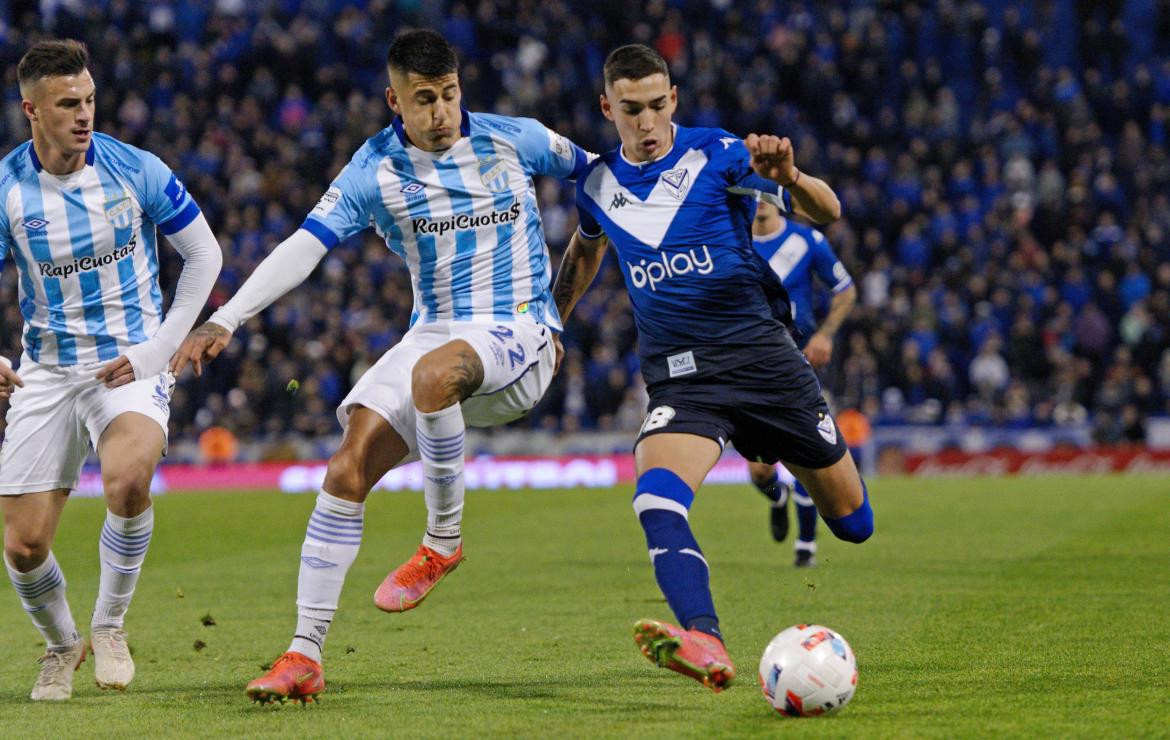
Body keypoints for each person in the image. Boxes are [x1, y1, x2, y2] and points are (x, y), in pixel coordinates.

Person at [170, 29, 590, 704]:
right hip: (435, 333)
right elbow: (304, 248)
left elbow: (605, 180)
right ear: (394, 100)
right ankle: (303, 655)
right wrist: (228, 317)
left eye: (450, 95)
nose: (443, 112)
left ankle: (442, 541)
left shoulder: (516, 137)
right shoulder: (375, 169)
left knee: (431, 378)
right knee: (346, 467)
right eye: (425, 99)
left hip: (519, 331)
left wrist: (566, 299)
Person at [551, 44, 873, 692]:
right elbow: (585, 253)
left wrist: (794, 175)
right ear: (607, 107)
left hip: (765, 362)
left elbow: (826, 212)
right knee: (654, 495)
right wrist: (551, 321)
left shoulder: (718, 153)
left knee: (854, 523)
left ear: (673, 100)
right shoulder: (597, 185)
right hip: (682, 377)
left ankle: (785, 464)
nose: (644, 124)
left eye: (656, 106)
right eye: (630, 110)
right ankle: (705, 638)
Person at [0, 40, 222, 700]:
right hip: (45, 371)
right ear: (31, 111)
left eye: (90, 100)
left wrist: (157, 353)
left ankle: (110, 624)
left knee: (128, 481)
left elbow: (203, 258)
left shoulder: (136, 169)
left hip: (129, 361)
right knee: (23, 546)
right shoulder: (9, 189)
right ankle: (63, 643)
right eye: (68, 104)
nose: (84, 114)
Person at [749, 200, 858, 567]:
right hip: (751, 364)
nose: (760, 198)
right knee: (760, 471)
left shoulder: (806, 240)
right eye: (753, 190)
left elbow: (845, 290)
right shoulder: (731, 240)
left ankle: (806, 546)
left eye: (767, 190)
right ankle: (776, 497)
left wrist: (825, 334)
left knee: (804, 452)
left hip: (800, 359)